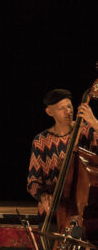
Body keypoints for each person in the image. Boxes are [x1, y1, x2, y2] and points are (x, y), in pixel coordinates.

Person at [27, 88, 98, 216]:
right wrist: (42, 196)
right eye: (62, 109)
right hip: (51, 211)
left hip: (81, 208)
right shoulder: (41, 141)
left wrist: (95, 123)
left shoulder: (85, 130)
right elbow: (33, 181)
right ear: (49, 111)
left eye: (69, 107)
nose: (68, 112)